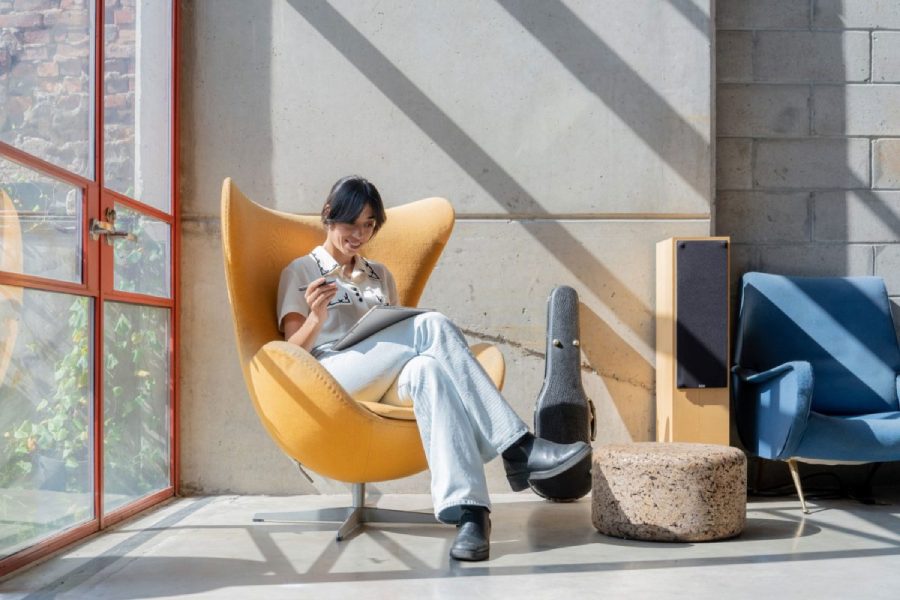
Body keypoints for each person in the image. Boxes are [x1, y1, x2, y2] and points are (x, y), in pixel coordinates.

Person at [277, 175, 591, 562]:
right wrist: (316, 316)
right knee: (431, 324)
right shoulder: (301, 271)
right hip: (331, 376)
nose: (359, 234)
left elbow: (394, 334)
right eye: (350, 224)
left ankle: (471, 513)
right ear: (328, 216)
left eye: (368, 225)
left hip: (385, 375)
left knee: (429, 371)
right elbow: (290, 354)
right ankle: (518, 447)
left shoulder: (380, 276)